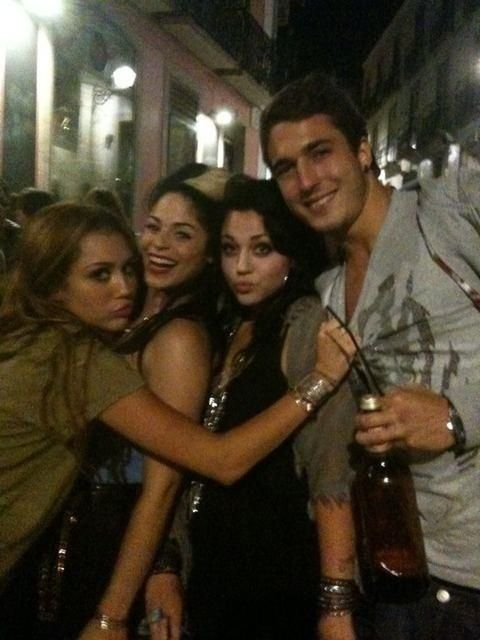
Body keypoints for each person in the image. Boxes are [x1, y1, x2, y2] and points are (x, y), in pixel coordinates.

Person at [0, 201, 355, 639]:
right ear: (52, 285)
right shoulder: (71, 357)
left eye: (128, 269)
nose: (124, 287)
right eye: (100, 275)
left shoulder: (28, 337)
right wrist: (319, 380)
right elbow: (222, 460)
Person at [260, 70, 480, 640]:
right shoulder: (330, 291)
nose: (307, 181)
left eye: (320, 153)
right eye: (286, 168)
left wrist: (459, 417)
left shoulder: (450, 208)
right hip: (410, 578)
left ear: (362, 152)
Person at [146, 175, 329, 640]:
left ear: (293, 253)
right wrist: (167, 562)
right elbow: (184, 461)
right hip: (209, 575)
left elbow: (331, 475)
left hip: (274, 584)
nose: (241, 267)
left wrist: (337, 603)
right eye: (230, 249)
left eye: (262, 249)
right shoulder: (228, 322)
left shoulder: (304, 325)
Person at [75, 165, 229, 639]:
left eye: (182, 235)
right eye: (154, 227)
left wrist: (113, 613)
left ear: (209, 254)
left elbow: (163, 486)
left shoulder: (180, 338)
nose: (159, 245)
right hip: (86, 534)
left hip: (119, 547)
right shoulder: (134, 313)